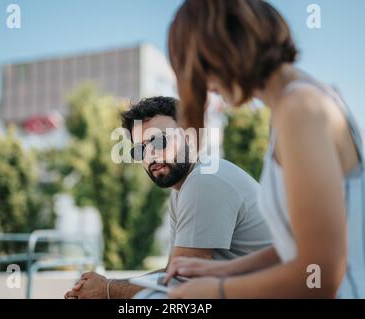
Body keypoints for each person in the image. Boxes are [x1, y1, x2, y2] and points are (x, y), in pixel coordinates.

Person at [164, 0, 365, 298]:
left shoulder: (299, 109)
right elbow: (295, 246)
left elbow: (320, 275)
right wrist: (220, 270)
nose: (208, 86)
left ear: (225, 48)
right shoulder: (296, 104)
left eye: (203, 68)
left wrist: (216, 292)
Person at [64, 96, 272, 299]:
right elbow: (173, 273)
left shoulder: (204, 181)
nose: (150, 155)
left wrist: (108, 290)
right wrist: (102, 289)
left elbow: (184, 285)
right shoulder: (184, 188)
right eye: (140, 149)